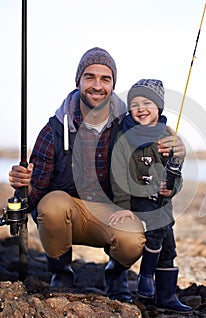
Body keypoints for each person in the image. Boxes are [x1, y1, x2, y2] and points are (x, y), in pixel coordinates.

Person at [8, 48, 186, 304]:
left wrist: (179, 149)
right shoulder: (55, 128)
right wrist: (20, 187)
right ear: (78, 81)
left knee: (134, 238)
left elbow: (162, 137)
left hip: (112, 212)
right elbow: (33, 191)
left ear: (113, 85)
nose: (97, 86)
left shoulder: (130, 125)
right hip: (70, 211)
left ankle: (116, 274)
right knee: (52, 205)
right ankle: (61, 271)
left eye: (105, 79)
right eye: (89, 77)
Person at [108, 79, 192, 312]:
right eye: (134, 104)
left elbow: (177, 175)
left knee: (168, 248)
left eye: (147, 103)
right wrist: (122, 206)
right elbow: (118, 175)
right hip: (135, 201)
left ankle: (166, 296)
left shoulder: (168, 137)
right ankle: (143, 276)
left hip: (162, 204)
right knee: (152, 228)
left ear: (159, 107)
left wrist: (171, 188)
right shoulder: (123, 137)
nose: (140, 108)